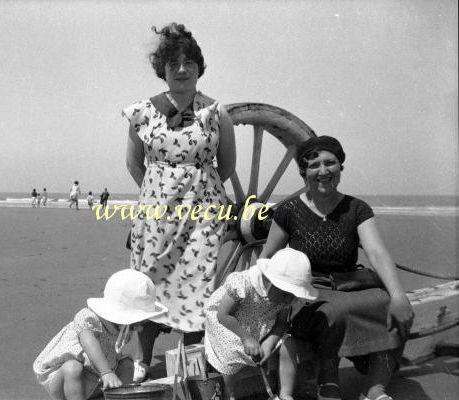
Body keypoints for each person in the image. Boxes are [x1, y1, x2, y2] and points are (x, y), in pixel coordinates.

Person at [259, 135, 414, 400]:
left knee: (393, 308)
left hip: (349, 285)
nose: (323, 171)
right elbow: (266, 258)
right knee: (332, 312)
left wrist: (399, 296)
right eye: (314, 165)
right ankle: (328, 380)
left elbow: (376, 252)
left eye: (330, 163)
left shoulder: (356, 209)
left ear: (340, 167)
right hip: (305, 294)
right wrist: (262, 310)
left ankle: (376, 388)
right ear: (303, 172)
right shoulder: (289, 211)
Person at [123, 22, 236, 378]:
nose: (182, 70)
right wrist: (161, 195)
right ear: (164, 71)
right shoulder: (142, 112)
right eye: (174, 64)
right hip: (157, 214)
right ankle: (142, 358)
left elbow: (227, 166)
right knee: (150, 279)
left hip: (203, 214)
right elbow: (133, 164)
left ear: (199, 67)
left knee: (198, 280)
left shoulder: (217, 113)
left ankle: (190, 358)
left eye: (189, 63)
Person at [33, 269, 167, 400]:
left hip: (92, 378)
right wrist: (106, 372)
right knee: (72, 368)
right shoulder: (89, 317)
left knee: (127, 364)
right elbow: (88, 342)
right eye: (139, 321)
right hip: (62, 379)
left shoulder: (123, 328)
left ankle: (120, 396)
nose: (140, 328)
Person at [204, 248, 318, 400]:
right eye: (286, 293)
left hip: (261, 322)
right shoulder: (243, 284)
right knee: (230, 350)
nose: (288, 299)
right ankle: (227, 395)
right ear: (268, 280)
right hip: (230, 323)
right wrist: (246, 338)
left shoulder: (285, 297)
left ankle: (285, 394)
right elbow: (223, 315)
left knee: (288, 343)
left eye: (293, 294)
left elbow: (281, 323)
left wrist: (269, 345)